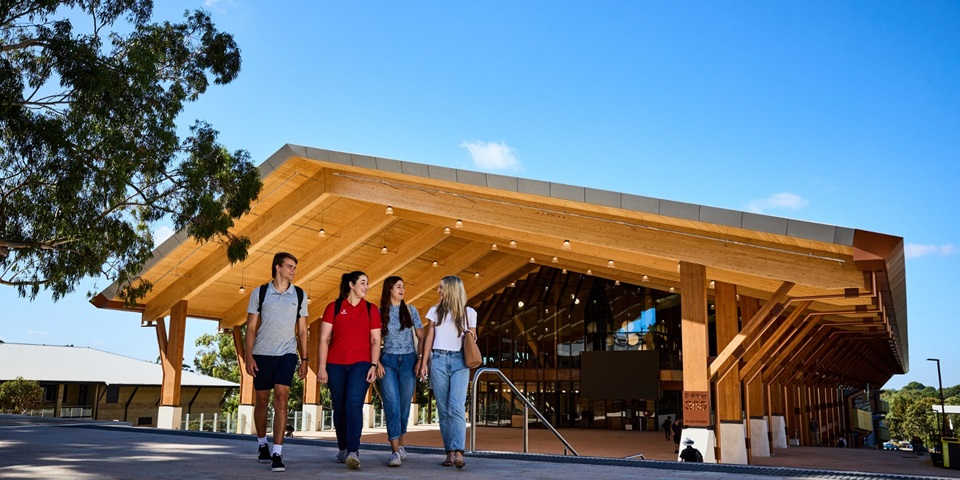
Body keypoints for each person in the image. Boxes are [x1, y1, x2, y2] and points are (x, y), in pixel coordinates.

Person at [244, 252, 309, 472]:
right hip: (262, 355)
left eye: (294, 267)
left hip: (287, 355)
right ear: (277, 267)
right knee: (261, 402)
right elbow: (251, 327)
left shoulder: (299, 294)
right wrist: (248, 355)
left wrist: (304, 359)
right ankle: (262, 443)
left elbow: (302, 330)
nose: (293, 270)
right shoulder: (260, 293)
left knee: (281, 400)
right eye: (290, 266)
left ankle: (277, 453)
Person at [318, 271, 382, 469]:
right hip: (335, 364)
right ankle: (343, 448)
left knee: (354, 405)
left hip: (361, 364)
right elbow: (323, 339)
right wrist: (321, 367)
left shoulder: (371, 309)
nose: (366, 286)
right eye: (363, 282)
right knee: (340, 406)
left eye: (367, 283)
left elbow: (375, 340)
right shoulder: (334, 307)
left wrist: (373, 364)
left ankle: (354, 451)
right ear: (351, 285)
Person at [418, 275, 476, 469]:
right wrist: (424, 362)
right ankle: (449, 452)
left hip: (460, 361)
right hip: (439, 361)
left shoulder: (469, 313)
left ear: (451, 289)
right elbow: (429, 338)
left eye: (441, 287)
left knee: (457, 406)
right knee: (443, 409)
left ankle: (459, 451)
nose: (438, 291)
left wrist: (471, 333)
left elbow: (472, 339)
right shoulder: (435, 311)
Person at [376, 276, 424, 467]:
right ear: (389, 289)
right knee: (392, 404)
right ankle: (395, 451)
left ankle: (401, 444)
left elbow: (421, 336)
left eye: (403, 286)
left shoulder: (411, 311)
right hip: (387, 361)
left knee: (404, 406)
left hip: (409, 361)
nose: (402, 289)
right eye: (398, 286)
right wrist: (376, 362)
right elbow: (373, 340)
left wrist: (421, 359)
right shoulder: (380, 312)